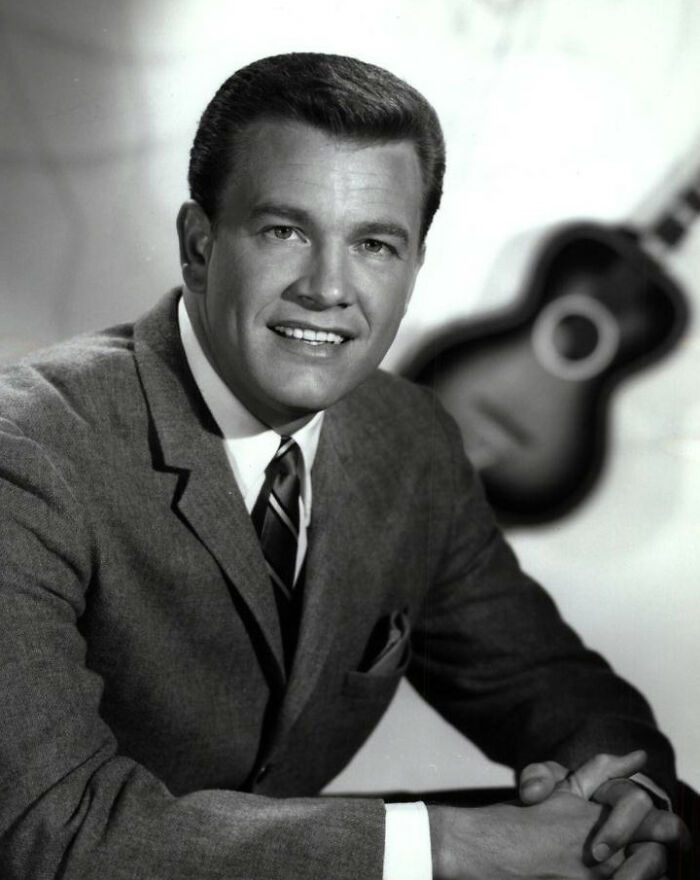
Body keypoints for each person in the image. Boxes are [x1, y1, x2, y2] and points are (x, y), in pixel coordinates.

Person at [0, 52, 690, 880]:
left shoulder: (410, 438)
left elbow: (543, 680)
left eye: (374, 244)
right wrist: (447, 847)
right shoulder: (28, 452)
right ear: (197, 246)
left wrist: (625, 792)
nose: (329, 288)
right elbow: (49, 836)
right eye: (284, 231)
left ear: (413, 271)